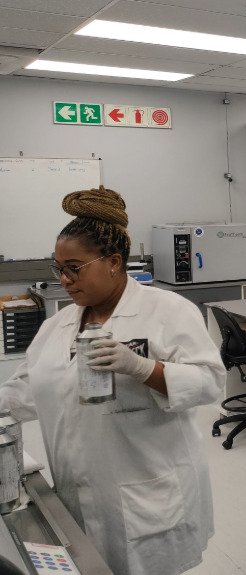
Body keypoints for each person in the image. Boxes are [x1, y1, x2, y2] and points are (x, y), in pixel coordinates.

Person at [0, 187, 226, 575]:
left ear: (114, 262)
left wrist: (141, 368)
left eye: (75, 267)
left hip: (148, 497)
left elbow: (209, 383)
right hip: (77, 492)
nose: (65, 280)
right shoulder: (59, 325)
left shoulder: (166, 311)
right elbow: (28, 388)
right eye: (59, 269)